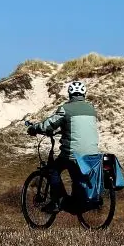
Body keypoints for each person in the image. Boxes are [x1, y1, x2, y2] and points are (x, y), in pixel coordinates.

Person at [27, 81, 99, 212]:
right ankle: (77, 200)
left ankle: (56, 202)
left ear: (70, 94)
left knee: (53, 170)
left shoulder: (65, 109)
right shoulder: (92, 110)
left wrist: (34, 128)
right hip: (92, 154)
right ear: (84, 94)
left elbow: (48, 125)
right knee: (77, 175)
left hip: (72, 153)